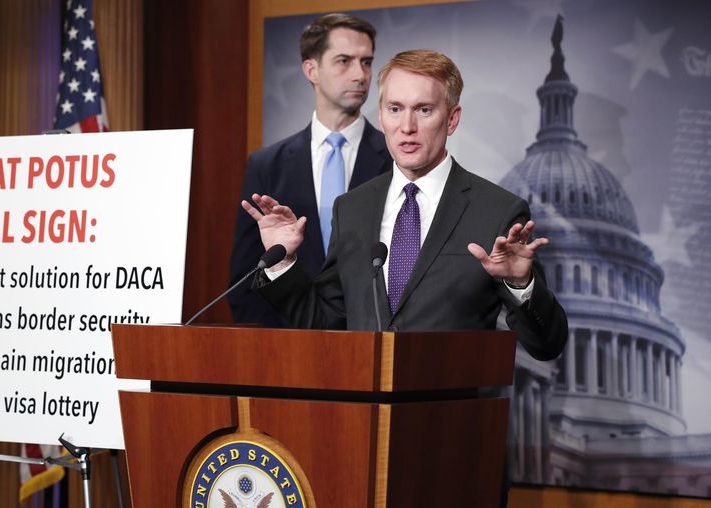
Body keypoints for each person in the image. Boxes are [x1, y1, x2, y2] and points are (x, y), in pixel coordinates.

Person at [242, 49, 568, 361]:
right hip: (363, 413)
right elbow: (327, 324)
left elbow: (547, 345)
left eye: (424, 110)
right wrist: (282, 263)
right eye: (395, 109)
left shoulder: (498, 211)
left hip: (451, 414)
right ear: (381, 115)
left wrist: (520, 285)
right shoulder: (352, 208)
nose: (407, 127)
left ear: (452, 119)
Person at [228, 13, 392, 326]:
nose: (360, 74)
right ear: (311, 69)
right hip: (287, 352)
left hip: (372, 345)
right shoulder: (267, 165)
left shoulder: (398, 161)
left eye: (367, 62)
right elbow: (246, 279)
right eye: (344, 61)